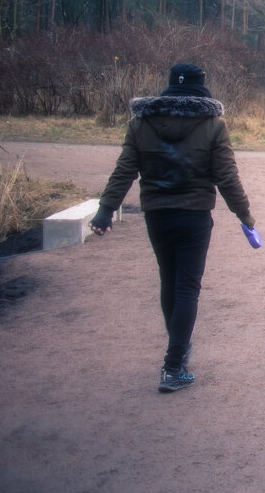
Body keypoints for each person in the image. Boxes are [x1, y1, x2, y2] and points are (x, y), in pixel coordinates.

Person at [88, 63, 254, 394]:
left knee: (170, 281)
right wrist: (245, 216)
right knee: (187, 288)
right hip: (193, 216)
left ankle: (177, 354)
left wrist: (106, 211)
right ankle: (174, 364)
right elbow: (226, 177)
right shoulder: (212, 124)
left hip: (157, 214)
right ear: (200, 88)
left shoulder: (142, 122)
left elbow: (125, 171)